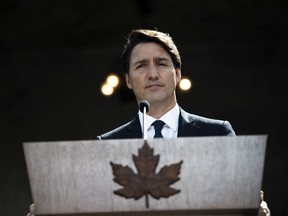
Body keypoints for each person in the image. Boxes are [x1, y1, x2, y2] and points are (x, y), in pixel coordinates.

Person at [27, 29, 270, 216]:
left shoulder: (217, 133)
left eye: (161, 63)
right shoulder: (106, 144)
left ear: (177, 74)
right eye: (141, 65)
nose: (152, 74)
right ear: (129, 80)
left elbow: (236, 204)